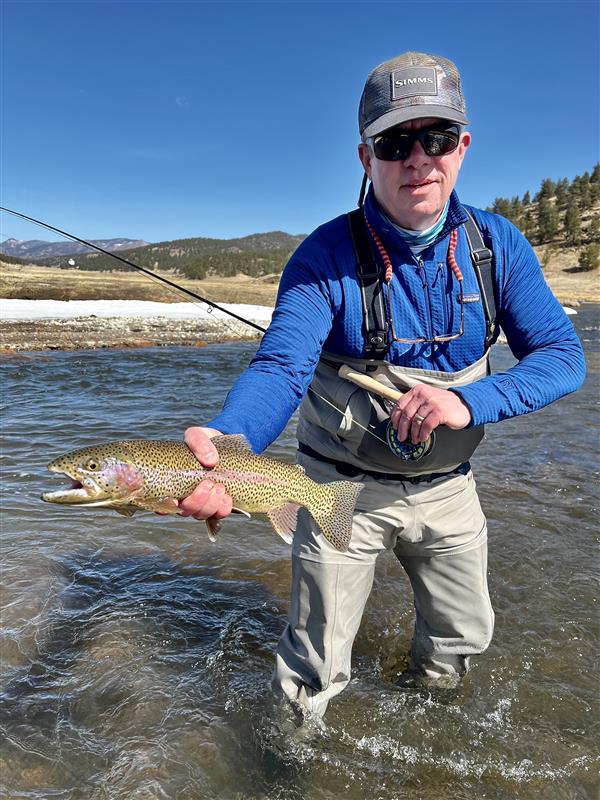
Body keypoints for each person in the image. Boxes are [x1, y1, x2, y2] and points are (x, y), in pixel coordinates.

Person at [178, 52, 585, 718]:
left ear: (464, 148)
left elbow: (562, 357)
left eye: (438, 137)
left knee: (457, 650)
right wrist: (231, 442)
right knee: (313, 669)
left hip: (451, 489)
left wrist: (467, 401)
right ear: (366, 158)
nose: (418, 158)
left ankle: (424, 746)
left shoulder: (498, 247)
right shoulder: (323, 257)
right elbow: (280, 367)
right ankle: (292, 763)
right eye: (396, 141)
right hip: (340, 487)